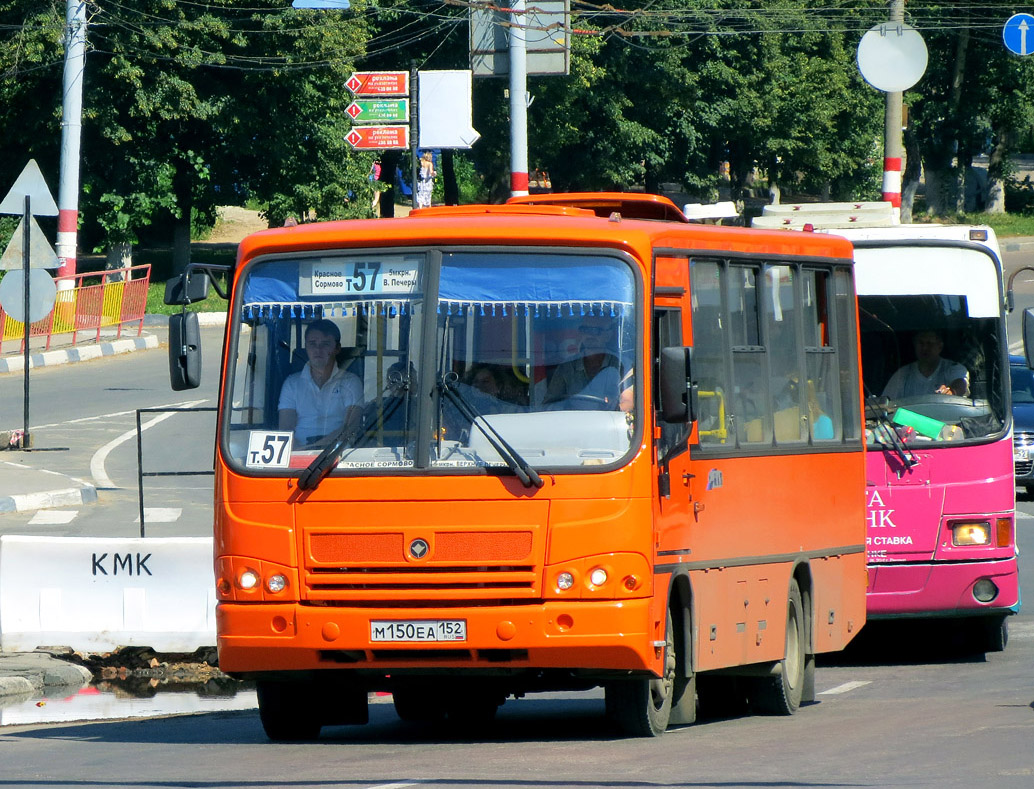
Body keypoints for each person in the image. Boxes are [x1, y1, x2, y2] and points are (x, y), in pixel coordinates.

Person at [278, 319, 363, 447]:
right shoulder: (291, 384)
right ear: (305, 347)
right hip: (298, 454)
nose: (318, 349)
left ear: (337, 348)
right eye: (312, 344)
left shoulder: (351, 382)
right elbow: (285, 430)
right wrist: (299, 452)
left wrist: (316, 449)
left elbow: (350, 428)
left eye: (325, 344)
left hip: (338, 455)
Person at [545, 316, 625, 408]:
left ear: (608, 335)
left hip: (609, 420)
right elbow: (550, 405)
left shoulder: (620, 364)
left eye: (596, 331)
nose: (590, 335)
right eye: (585, 330)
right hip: (574, 421)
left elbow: (628, 403)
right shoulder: (567, 367)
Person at [882, 329, 969, 399]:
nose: (925, 348)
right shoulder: (902, 375)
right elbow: (885, 404)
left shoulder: (953, 368)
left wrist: (951, 391)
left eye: (929, 343)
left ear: (940, 346)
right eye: (921, 343)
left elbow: (960, 383)